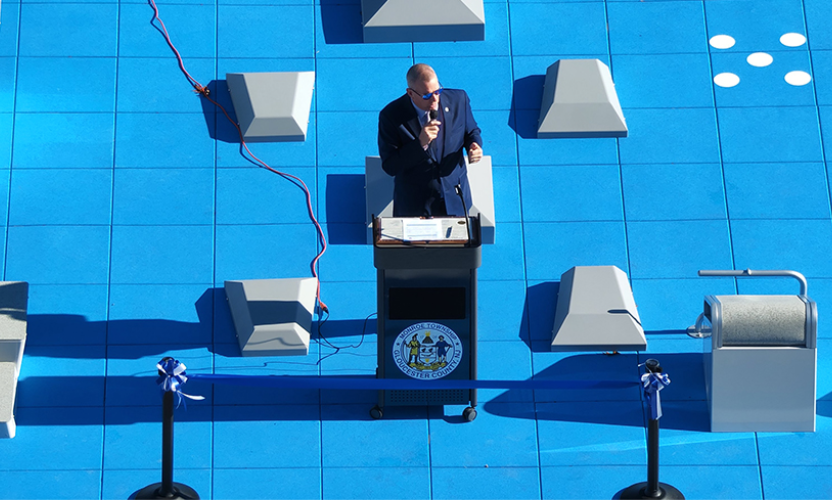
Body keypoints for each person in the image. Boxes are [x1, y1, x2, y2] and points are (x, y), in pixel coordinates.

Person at [378, 64, 483, 217]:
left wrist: (474, 145)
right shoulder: (392, 116)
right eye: (427, 95)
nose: (435, 99)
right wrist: (420, 144)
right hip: (416, 206)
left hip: (455, 198)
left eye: (438, 91)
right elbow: (390, 166)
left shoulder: (458, 100)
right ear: (411, 93)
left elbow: (471, 130)